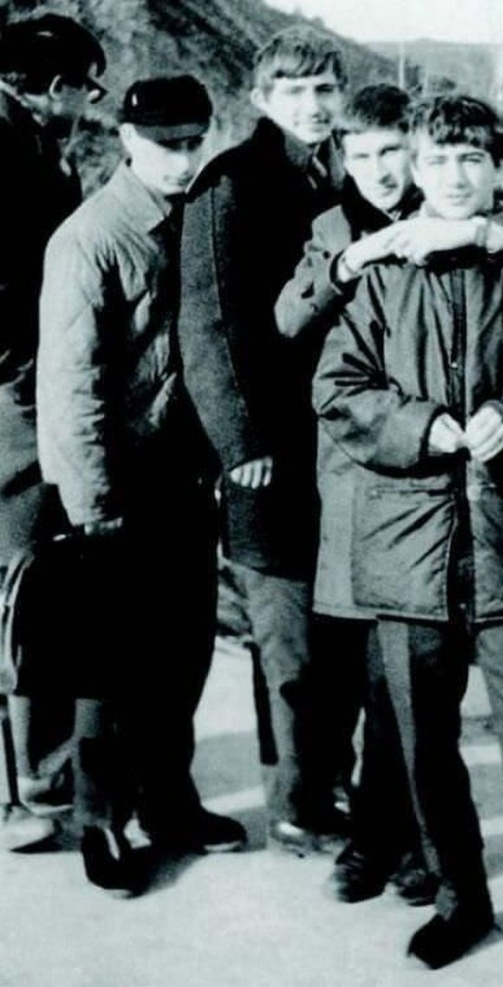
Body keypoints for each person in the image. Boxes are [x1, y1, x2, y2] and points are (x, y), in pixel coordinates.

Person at [313, 93, 503, 987]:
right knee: (424, 752)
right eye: (437, 159)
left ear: (498, 169)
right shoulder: (381, 277)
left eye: (471, 160)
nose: (453, 176)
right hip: (406, 557)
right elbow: (338, 387)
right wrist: (419, 426)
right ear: (414, 168)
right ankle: (460, 900)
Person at [37, 75, 246, 896]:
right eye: (167, 144)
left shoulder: (200, 218)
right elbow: (71, 383)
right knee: (108, 664)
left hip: (183, 478)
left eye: (195, 141)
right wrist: (92, 502)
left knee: (181, 652)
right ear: (128, 141)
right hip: (115, 488)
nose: (183, 158)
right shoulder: (90, 239)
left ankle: (167, 802)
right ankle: (99, 817)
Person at [178, 26, 356, 855]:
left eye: (326, 89)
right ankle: (295, 802)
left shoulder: (338, 173)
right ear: (261, 98)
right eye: (297, 91)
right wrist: (240, 442)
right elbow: (209, 326)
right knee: (287, 643)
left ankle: (325, 781)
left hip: (333, 444)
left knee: (331, 635)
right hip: (266, 452)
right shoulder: (232, 182)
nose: (314, 105)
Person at [0, 12, 107, 851]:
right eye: (85, 87)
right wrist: (22, 371)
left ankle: (36, 773)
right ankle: (25, 789)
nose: (89, 102)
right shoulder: (10, 154)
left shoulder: (32, 145)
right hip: (16, 398)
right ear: (56, 86)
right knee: (24, 590)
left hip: (23, 386)